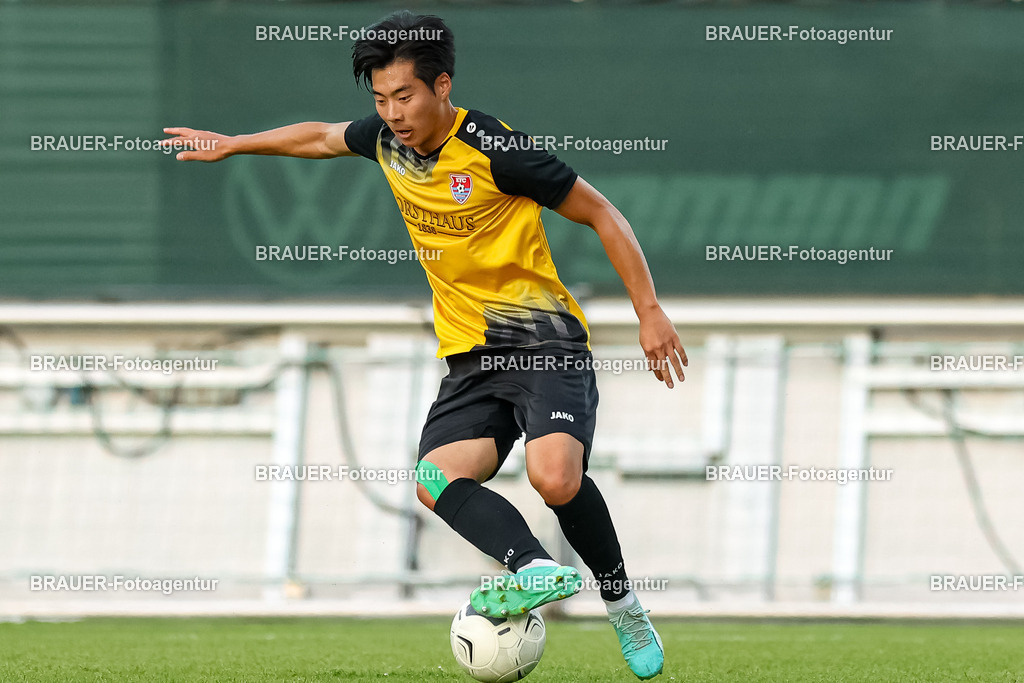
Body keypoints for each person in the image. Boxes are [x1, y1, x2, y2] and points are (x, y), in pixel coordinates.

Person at [162, 11, 686, 680]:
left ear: (442, 85)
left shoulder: (498, 150)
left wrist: (649, 311)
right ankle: (534, 565)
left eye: (404, 96)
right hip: (470, 357)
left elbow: (602, 212)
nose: (392, 112)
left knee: (553, 476)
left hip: (544, 342)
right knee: (433, 478)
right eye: (379, 99)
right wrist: (236, 144)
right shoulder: (386, 140)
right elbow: (319, 137)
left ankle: (624, 604)